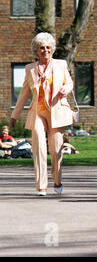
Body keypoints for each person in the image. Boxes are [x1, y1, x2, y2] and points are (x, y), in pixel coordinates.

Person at [10, 32, 74, 196]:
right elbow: (24, 93)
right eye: (41, 48)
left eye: (47, 47)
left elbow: (69, 82)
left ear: (52, 49)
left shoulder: (61, 64)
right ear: (36, 51)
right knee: (38, 146)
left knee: (56, 148)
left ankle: (57, 180)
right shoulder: (30, 69)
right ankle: (41, 186)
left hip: (56, 111)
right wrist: (14, 115)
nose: (45, 50)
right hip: (38, 111)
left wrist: (64, 90)